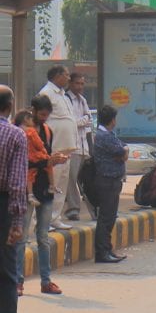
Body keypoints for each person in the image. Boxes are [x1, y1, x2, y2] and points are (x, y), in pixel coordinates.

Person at [15, 99, 68, 296]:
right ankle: (18, 281)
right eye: (42, 114)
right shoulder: (20, 131)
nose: (44, 118)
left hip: (45, 189)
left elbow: (46, 157)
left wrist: (53, 160)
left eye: (47, 115)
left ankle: (46, 281)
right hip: (26, 190)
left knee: (43, 237)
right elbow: (23, 163)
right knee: (21, 238)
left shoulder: (47, 131)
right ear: (34, 111)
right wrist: (48, 160)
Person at [0, 85, 28, 313]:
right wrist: (17, 222)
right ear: (9, 107)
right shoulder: (15, 134)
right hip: (4, 207)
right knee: (7, 275)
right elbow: (18, 184)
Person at [39, 64, 78, 231]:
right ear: (57, 76)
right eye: (66, 75)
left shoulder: (63, 95)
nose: (69, 78)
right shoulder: (46, 93)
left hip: (67, 147)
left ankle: (55, 217)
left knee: (61, 183)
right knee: (51, 183)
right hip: (54, 148)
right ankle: (43, 220)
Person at [93, 104, 128, 263]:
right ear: (112, 120)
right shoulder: (104, 136)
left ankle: (108, 248)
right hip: (107, 180)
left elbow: (122, 151)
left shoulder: (108, 134)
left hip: (113, 180)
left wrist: (123, 152)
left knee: (110, 216)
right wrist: (123, 152)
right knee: (106, 218)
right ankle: (102, 252)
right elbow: (122, 151)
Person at [65, 72, 93, 221]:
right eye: (77, 83)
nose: (80, 86)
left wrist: (84, 121)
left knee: (82, 179)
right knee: (71, 179)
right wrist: (84, 120)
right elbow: (72, 123)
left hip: (83, 146)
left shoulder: (82, 100)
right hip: (73, 146)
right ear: (70, 84)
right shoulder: (66, 99)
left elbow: (89, 121)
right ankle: (73, 209)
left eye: (82, 84)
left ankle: (84, 208)